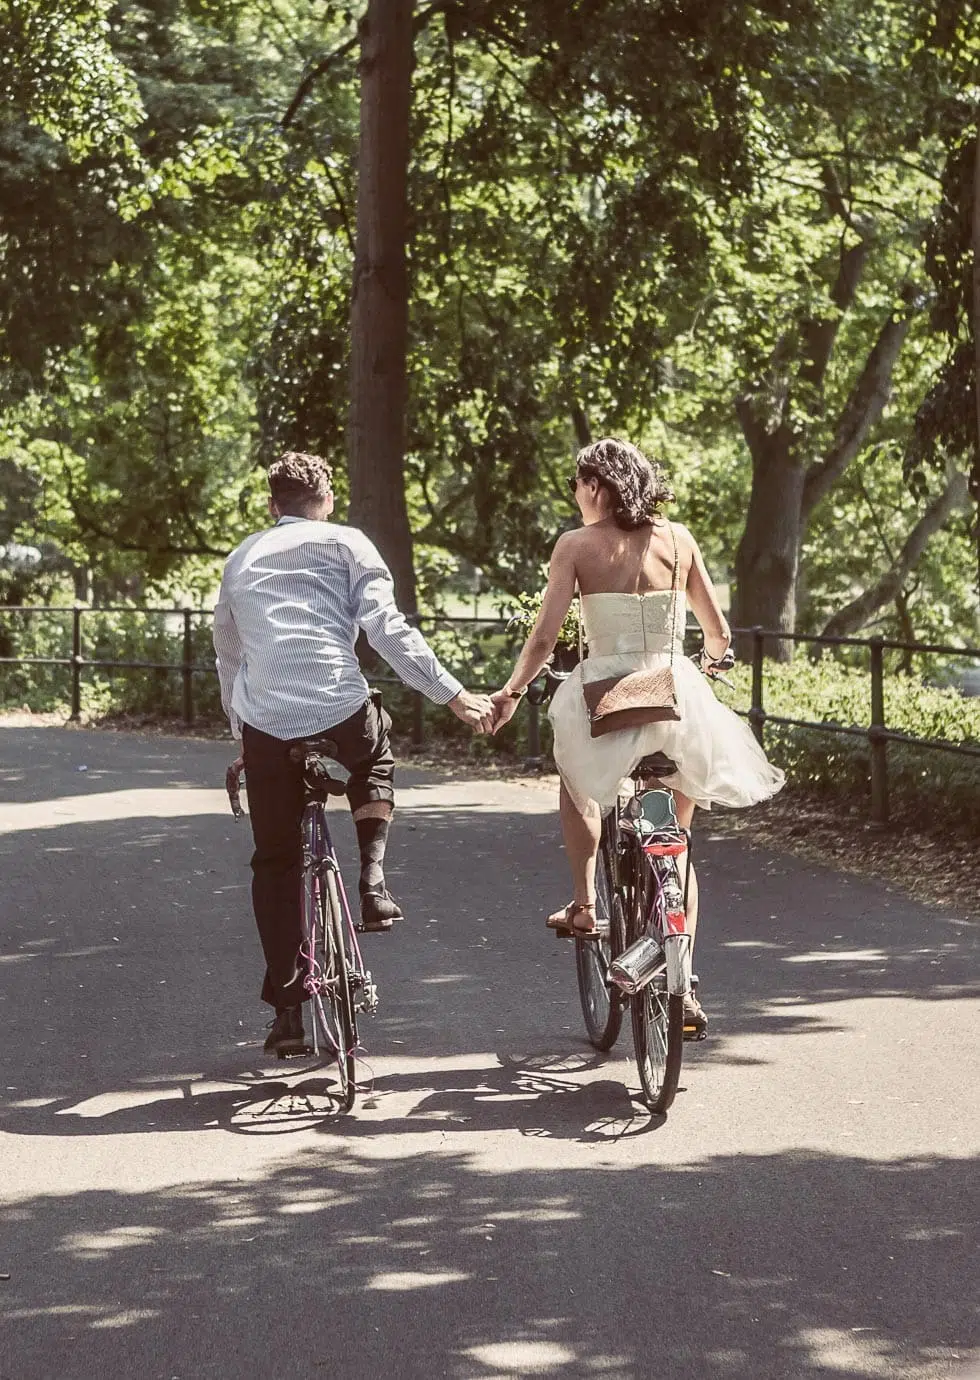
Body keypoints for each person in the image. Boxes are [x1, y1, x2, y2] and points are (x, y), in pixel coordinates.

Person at [490, 437, 784, 1033]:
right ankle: (684, 973)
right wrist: (703, 670)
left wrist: (511, 693)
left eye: (576, 485)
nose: (575, 497)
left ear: (595, 485)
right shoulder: (679, 540)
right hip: (675, 695)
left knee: (576, 782)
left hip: (607, 695)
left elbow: (545, 638)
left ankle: (586, 905)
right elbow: (720, 634)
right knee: (675, 840)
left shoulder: (575, 546)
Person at [214, 451, 494, 1055]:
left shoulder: (241, 558)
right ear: (329, 498)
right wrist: (452, 696)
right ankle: (371, 877)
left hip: (267, 726)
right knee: (375, 749)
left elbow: (229, 655)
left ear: (272, 505)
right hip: (341, 709)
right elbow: (386, 628)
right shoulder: (349, 544)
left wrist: (244, 735)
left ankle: (288, 1014)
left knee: (275, 862)